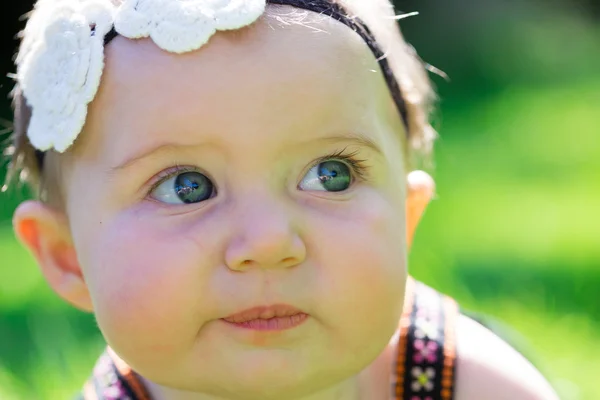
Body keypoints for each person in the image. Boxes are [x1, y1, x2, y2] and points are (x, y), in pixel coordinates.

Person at [5, 0, 559, 399]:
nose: (269, 241)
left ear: (405, 221)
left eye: (331, 174)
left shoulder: (463, 383)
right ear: (68, 256)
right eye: (185, 187)